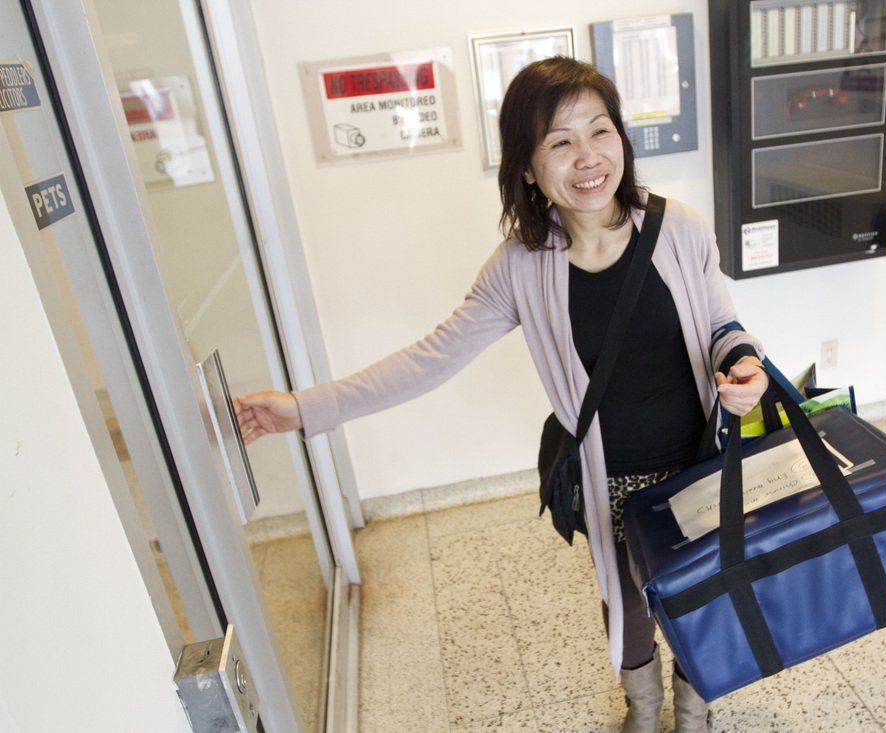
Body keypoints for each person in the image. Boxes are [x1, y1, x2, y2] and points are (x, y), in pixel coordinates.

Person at [234, 56, 768, 733]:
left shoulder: (680, 227)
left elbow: (724, 327)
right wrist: (304, 408)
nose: (589, 157)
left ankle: (695, 712)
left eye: (600, 131)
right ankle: (643, 709)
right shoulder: (521, 268)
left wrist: (743, 364)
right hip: (612, 483)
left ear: (622, 140)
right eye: (560, 142)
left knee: (704, 596)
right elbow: (429, 359)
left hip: (698, 460)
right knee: (626, 604)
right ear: (527, 168)